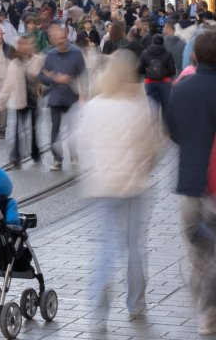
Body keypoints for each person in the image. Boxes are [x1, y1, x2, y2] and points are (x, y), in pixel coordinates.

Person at [78, 50, 156, 331]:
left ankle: (99, 312)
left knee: (107, 248)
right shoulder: (140, 105)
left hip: (102, 186)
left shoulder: (94, 106)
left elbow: (81, 143)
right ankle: (136, 304)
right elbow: (150, 149)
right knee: (134, 246)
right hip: (133, 185)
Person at [167, 29, 216, 335]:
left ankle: (205, 312)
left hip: (191, 181)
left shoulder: (182, 88)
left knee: (198, 249)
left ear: (194, 56)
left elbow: (173, 132)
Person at [39, 24, 86, 171]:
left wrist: (84, 95)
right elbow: (42, 76)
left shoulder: (76, 53)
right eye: (56, 40)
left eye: (62, 38)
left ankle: (74, 155)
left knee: (73, 128)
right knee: (56, 128)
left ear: (66, 37)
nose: (60, 42)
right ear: (53, 41)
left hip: (72, 97)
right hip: (56, 98)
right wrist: (55, 79)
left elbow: (83, 75)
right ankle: (57, 159)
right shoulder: (51, 55)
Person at [0, 35, 43, 168]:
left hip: (34, 100)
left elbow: (43, 78)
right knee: (18, 129)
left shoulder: (37, 60)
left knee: (34, 129)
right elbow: (8, 84)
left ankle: (35, 152)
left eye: (29, 44)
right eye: (24, 45)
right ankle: (16, 156)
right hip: (20, 100)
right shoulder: (14, 63)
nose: (27, 47)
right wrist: (0, 101)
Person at [138, 34, 176, 124]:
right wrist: (164, 73)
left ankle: (155, 133)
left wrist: (147, 73)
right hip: (165, 83)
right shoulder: (168, 53)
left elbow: (139, 69)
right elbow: (172, 71)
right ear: (163, 42)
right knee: (166, 107)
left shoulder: (145, 53)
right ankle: (167, 130)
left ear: (152, 42)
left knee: (153, 108)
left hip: (149, 83)